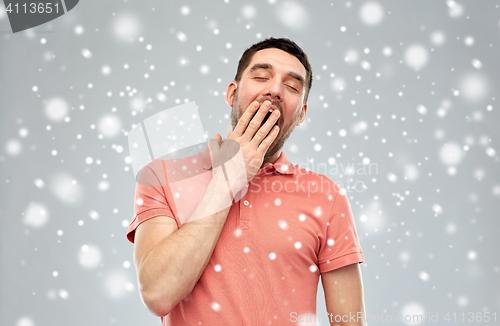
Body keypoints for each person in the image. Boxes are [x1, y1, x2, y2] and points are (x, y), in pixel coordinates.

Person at [126, 37, 367, 325]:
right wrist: (229, 178)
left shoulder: (327, 197)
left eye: (292, 86)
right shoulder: (161, 177)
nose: (275, 90)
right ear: (231, 93)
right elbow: (158, 294)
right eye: (261, 76)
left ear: (301, 115)